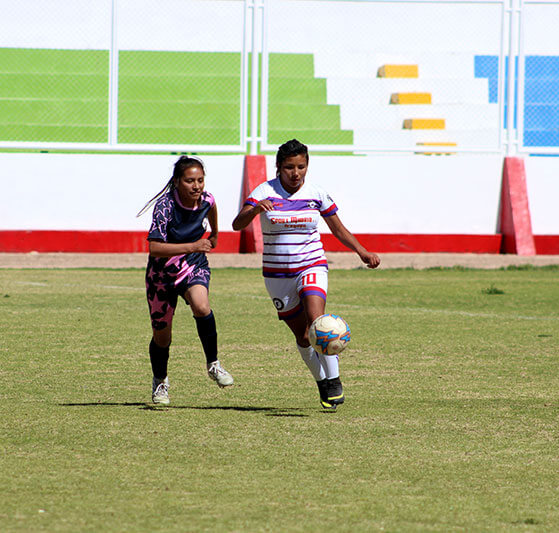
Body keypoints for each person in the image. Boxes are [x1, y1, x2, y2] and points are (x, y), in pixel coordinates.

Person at [231, 139, 380, 409]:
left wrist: (362, 251)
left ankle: (334, 380)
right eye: (289, 167)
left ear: (307, 165)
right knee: (302, 337)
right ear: (279, 167)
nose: (295, 172)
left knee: (317, 322)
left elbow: (338, 229)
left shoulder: (316, 193)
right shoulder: (265, 191)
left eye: (301, 166)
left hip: (311, 265)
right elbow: (236, 224)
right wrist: (255, 209)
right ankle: (322, 382)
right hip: (277, 276)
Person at [138, 155, 233, 405]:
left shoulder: (207, 199)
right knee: (162, 337)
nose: (196, 186)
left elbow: (212, 208)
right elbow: (155, 248)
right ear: (178, 182)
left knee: (202, 306)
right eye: (190, 181)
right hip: (161, 276)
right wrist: (194, 244)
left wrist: (215, 235)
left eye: (200, 180)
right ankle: (160, 382)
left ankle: (213, 364)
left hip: (192, 265)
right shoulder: (165, 206)